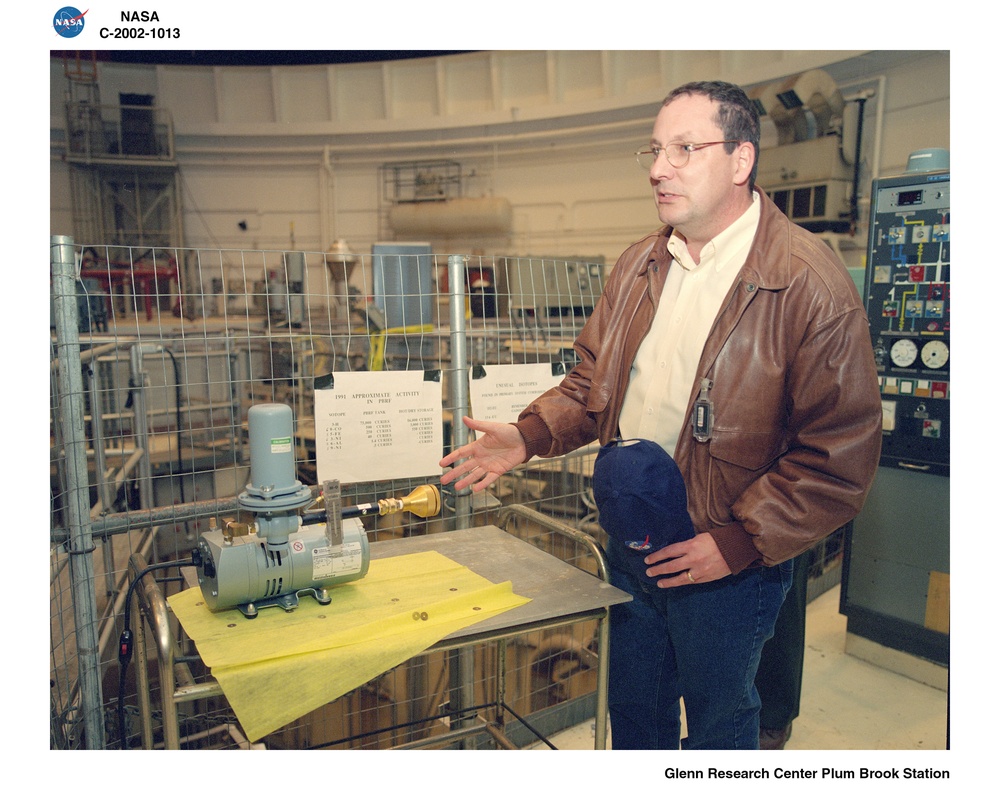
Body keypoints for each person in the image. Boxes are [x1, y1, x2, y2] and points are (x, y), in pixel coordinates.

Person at [440, 80, 882, 750]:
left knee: (718, 723)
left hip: (728, 562)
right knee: (635, 713)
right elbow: (593, 381)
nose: (657, 168)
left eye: (683, 148)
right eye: (654, 150)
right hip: (632, 544)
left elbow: (837, 457)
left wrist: (734, 543)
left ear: (740, 161)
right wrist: (527, 437)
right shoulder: (642, 264)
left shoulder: (808, 283)